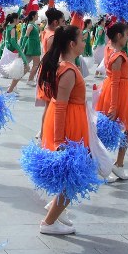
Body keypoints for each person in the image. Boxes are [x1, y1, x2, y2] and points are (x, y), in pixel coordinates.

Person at [38, 25, 89, 236]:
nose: (85, 43)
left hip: (71, 120)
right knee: (73, 175)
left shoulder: (67, 66)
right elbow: (60, 105)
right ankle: (49, 222)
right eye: (82, 39)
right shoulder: (67, 70)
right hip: (69, 123)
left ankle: (55, 208)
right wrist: (58, 140)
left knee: (74, 172)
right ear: (72, 44)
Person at [95, 22, 128, 181]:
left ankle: (110, 164)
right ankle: (114, 164)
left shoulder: (109, 47)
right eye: (127, 35)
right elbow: (115, 82)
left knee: (112, 129)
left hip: (112, 90)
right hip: (117, 93)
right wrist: (114, 107)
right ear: (119, 36)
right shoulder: (118, 57)